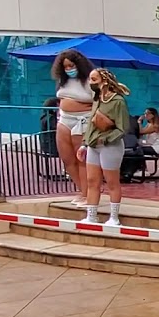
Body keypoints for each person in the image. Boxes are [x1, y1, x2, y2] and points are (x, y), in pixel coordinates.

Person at [77, 68, 130, 226]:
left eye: (94, 79)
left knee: (112, 182)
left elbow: (123, 128)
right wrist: (84, 144)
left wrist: (106, 139)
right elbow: (91, 124)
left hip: (110, 146)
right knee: (92, 180)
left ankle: (114, 217)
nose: (90, 83)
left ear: (104, 81)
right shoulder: (97, 98)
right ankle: (91, 215)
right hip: (93, 145)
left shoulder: (117, 101)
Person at [51, 49, 97, 207]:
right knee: (67, 159)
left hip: (83, 120)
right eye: (66, 67)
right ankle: (81, 190)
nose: (69, 69)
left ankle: (87, 193)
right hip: (64, 119)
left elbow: (98, 101)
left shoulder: (89, 80)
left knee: (81, 159)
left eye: (72, 65)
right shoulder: (63, 81)